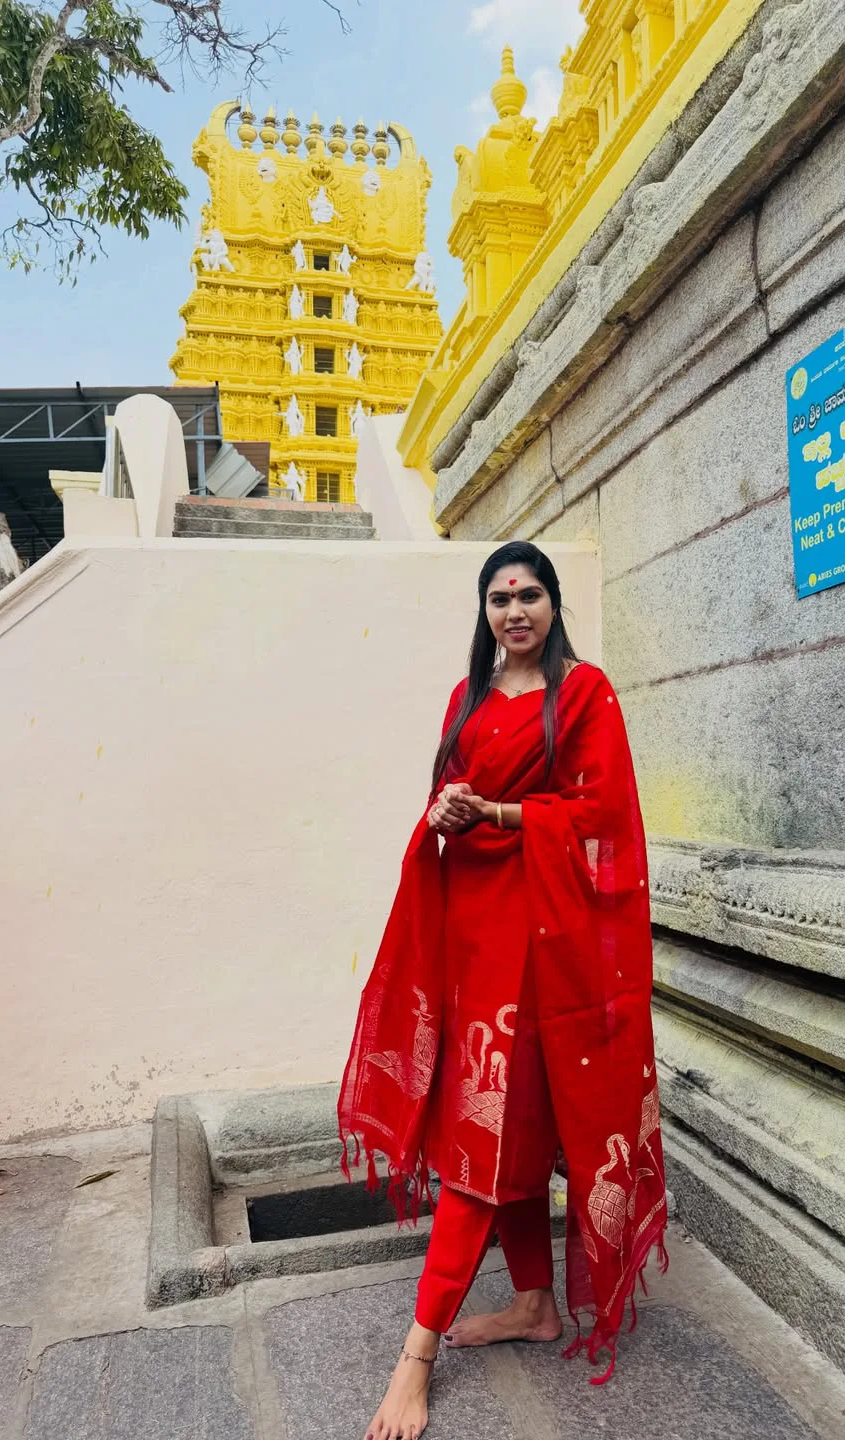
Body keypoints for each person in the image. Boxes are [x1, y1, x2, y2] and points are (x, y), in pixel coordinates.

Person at [338, 541, 667, 1440]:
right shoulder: (468, 700)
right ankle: (533, 1303)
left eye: (529, 595)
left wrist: (498, 812)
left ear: (555, 606)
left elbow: (601, 816)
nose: (513, 611)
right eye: (498, 599)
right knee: (497, 1131)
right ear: (484, 614)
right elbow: (449, 794)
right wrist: (447, 809)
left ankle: (417, 1357)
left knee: (484, 1147)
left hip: (543, 945)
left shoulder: (585, 694)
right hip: (471, 940)